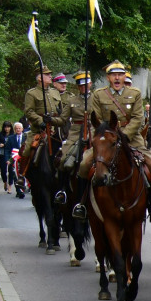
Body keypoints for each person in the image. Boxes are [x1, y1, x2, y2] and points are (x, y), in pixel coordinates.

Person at [75, 60, 151, 222]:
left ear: (124, 76)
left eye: (120, 74)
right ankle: (81, 204)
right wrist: (105, 138)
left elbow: (138, 119)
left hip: (131, 139)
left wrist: (123, 137)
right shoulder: (98, 94)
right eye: (113, 75)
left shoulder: (135, 94)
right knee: (84, 164)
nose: (117, 78)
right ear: (108, 77)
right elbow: (95, 119)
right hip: (106, 140)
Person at [54, 71, 94, 207]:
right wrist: (50, 119)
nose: (83, 87)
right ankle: (62, 190)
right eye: (81, 86)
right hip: (75, 133)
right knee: (64, 160)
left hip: (93, 131)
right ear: (78, 87)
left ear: (90, 84)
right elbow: (62, 119)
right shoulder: (72, 101)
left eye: (85, 84)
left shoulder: (98, 99)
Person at [20, 66, 65, 166]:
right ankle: (22, 175)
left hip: (57, 129)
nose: (50, 76)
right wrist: (41, 121)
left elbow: (61, 110)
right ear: (40, 78)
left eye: (50, 74)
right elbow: (29, 111)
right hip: (39, 130)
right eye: (47, 74)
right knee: (27, 150)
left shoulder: (55, 92)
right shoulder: (32, 93)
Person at [4, 123, 26, 198]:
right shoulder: (10, 138)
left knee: (23, 174)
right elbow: (7, 150)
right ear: (14, 129)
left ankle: (22, 189)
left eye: (19, 128)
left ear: (22, 129)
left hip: (24, 159)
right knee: (14, 174)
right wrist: (7, 159)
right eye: (16, 128)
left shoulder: (26, 137)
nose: (18, 130)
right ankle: (19, 191)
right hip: (13, 159)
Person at [0, 121, 11, 192]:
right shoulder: (0, 134)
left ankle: (10, 184)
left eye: (8, 127)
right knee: (3, 169)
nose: (7, 129)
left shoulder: (12, 135)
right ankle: (5, 182)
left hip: (10, 154)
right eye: (5, 127)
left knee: (11, 170)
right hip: (2, 153)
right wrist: (0, 144)